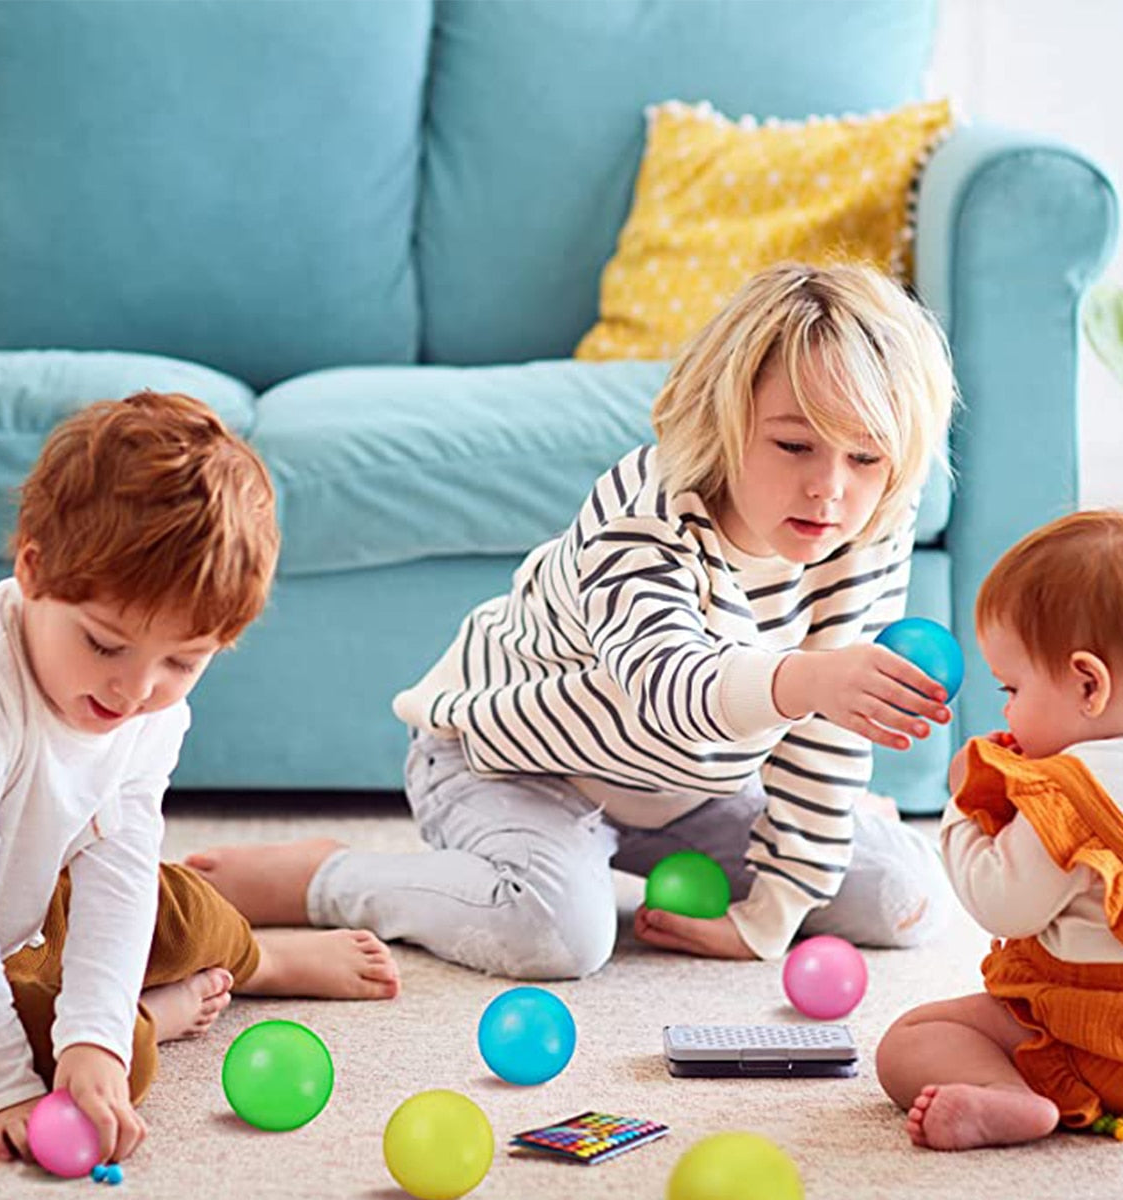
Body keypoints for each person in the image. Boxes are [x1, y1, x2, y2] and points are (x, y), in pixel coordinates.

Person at [188, 261, 957, 977]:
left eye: (866, 457)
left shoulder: (866, 522)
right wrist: (814, 680)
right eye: (794, 444)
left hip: (690, 789)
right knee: (558, 936)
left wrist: (773, 911)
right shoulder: (643, 516)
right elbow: (672, 689)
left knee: (902, 894)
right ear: (726, 420)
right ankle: (328, 877)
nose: (829, 487)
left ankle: (646, 852)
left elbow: (827, 723)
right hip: (513, 760)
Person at [0, 391, 399, 1169]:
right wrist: (10, 1083)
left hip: (14, 915)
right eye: (106, 646)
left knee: (171, 905)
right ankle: (159, 1012)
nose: (135, 692)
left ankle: (258, 961)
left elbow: (118, 870)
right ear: (33, 570)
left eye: (183, 661)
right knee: (112, 1068)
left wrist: (93, 1032)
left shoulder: (147, 708)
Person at [876, 510, 1123, 1150]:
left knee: (912, 1038)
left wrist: (967, 801)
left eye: (1011, 687)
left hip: (1090, 1039)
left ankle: (1008, 1097)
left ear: (1087, 684)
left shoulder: (1067, 786)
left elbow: (1005, 904)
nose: (1004, 708)